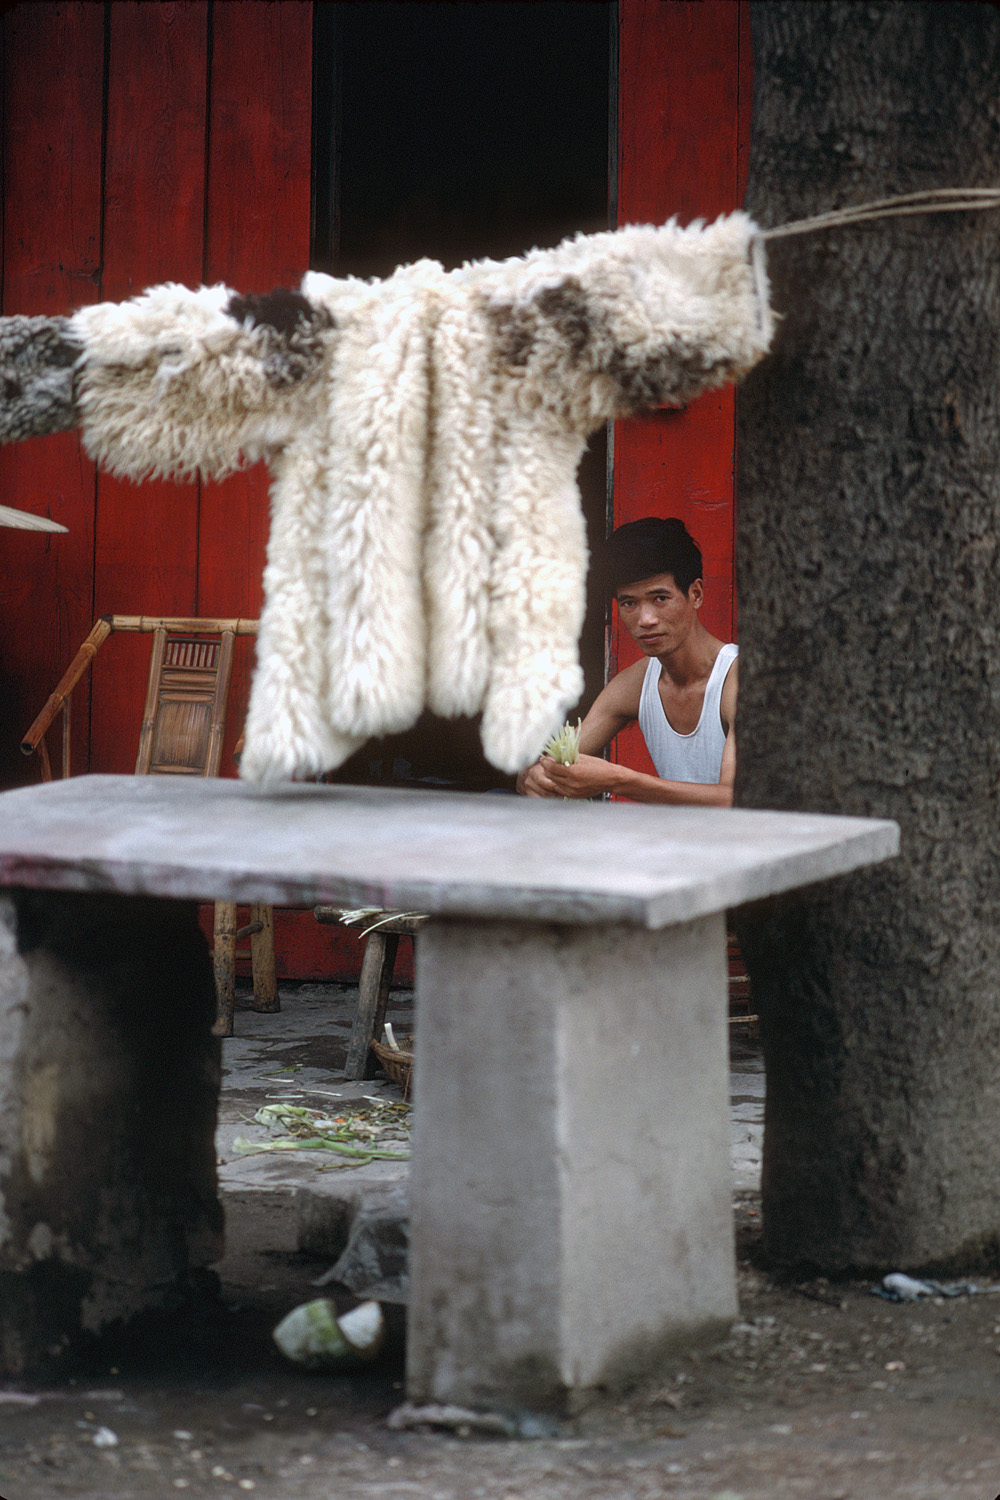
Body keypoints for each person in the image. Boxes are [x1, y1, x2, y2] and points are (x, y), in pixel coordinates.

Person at [517, 517, 737, 806]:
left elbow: (737, 800)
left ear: (695, 594)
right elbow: (550, 763)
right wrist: (535, 779)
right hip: (680, 846)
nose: (646, 619)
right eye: (629, 603)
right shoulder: (635, 684)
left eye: (660, 598)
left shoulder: (737, 679)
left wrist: (618, 779)